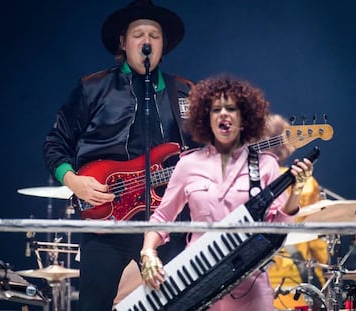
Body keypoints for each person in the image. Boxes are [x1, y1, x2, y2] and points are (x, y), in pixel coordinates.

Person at [43, 1, 197, 310]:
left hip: (167, 224)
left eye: (154, 35)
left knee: (181, 304)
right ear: (123, 43)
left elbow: (202, 154)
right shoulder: (93, 88)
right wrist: (74, 182)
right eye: (138, 34)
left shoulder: (184, 92)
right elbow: (55, 143)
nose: (146, 41)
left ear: (163, 45)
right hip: (105, 223)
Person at [139, 75, 315, 311]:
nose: (224, 114)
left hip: (250, 284)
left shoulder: (266, 164)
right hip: (196, 280)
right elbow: (162, 217)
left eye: (231, 108)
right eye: (216, 110)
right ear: (205, 118)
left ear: (244, 119)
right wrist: (148, 252)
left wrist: (297, 192)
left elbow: (279, 228)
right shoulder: (188, 165)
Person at [264, 114, 329, 310]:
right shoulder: (306, 183)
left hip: (249, 280)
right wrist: (323, 282)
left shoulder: (246, 180)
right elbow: (318, 242)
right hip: (294, 284)